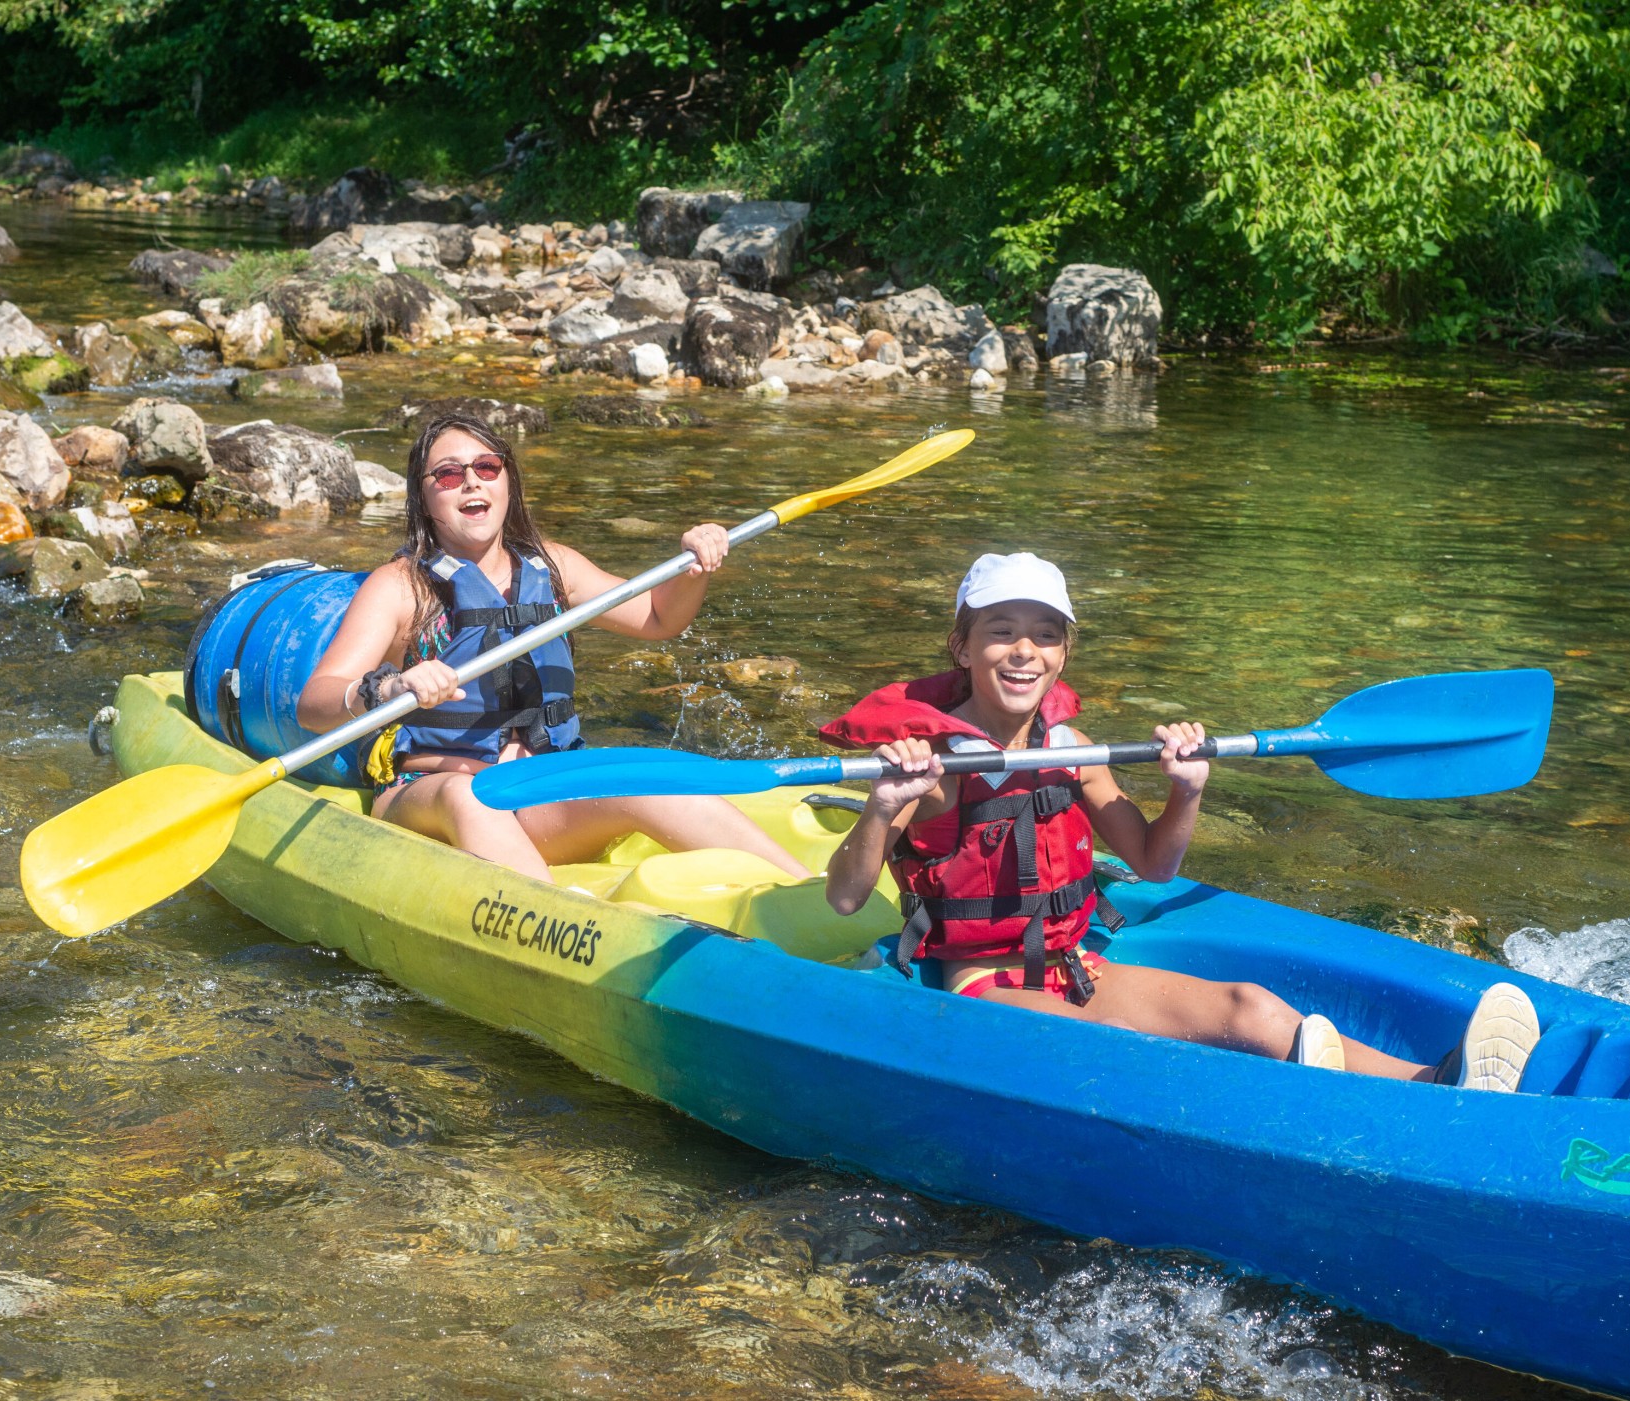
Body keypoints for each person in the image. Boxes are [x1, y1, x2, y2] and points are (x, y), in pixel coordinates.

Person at [820, 552, 1541, 1089]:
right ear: (963, 646)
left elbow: (1155, 863)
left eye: (1044, 634)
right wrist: (883, 805)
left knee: (1252, 1007)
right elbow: (845, 896)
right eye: (1001, 631)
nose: (1024, 651)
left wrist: (1187, 789)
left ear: (1064, 651)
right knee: (1116, 1048)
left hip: (1075, 965)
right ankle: (1315, 1107)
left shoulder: (1076, 751)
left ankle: (1438, 1081)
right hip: (983, 980)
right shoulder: (931, 763)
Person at [298, 410, 810, 883]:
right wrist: (389, 687)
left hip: (538, 787)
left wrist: (694, 566)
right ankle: (568, 927)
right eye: (449, 474)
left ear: (508, 481)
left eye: (487, 466)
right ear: (425, 498)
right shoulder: (399, 587)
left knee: (646, 776)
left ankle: (812, 896)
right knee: (465, 796)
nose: (472, 480)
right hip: (428, 797)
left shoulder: (553, 566)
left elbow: (657, 617)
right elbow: (314, 705)